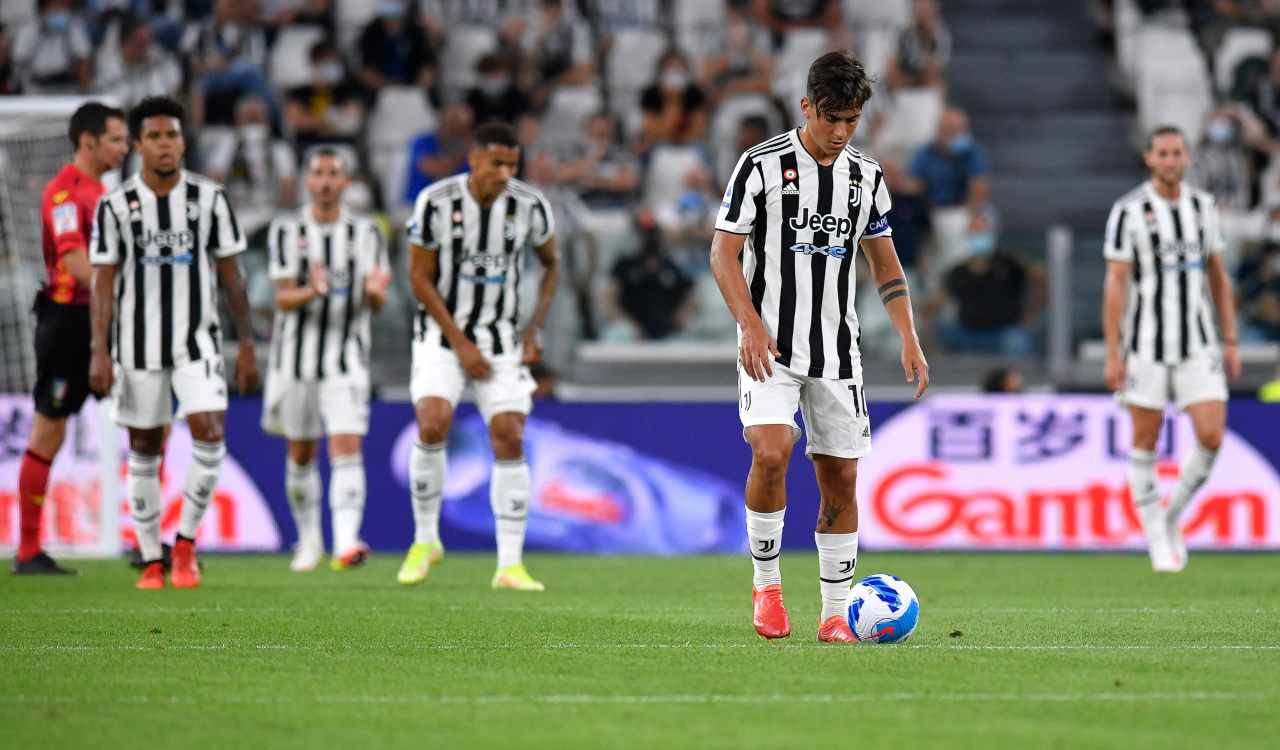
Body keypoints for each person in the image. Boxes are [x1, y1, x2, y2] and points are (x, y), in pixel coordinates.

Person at [710, 51, 929, 643]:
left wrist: (908, 334)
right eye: (830, 116)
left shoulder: (866, 176)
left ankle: (834, 612)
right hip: (770, 347)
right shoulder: (760, 166)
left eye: (851, 120)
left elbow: (885, 263)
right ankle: (767, 586)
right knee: (772, 452)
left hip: (837, 351)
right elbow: (722, 253)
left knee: (840, 479)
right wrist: (751, 325)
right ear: (806, 105)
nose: (839, 132)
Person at [88, 96, 260, 590]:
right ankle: (148, 558)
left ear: (184, 142)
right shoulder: (115, 205)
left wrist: (245, 344)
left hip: (197, 344)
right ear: (138, 145)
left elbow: (233, 277)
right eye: (156, 136)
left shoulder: (210, 199)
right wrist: (98, 351)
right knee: (143, 445)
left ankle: (184, 545)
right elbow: (103, 281)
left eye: (173, 136)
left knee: (210, 433)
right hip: (137, 347)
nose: (166, 145)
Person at [402, 122, 560, 591]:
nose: (505, 173)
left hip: (502, 338)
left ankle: (509, 564)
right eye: (496, 163)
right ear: (473, 160)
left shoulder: (529, 205)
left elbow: (551, 263)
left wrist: (535, 326)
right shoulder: (435, 201)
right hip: (439, 335)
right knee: (432, 423)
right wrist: (460, 341)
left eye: (512, 164)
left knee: (509, 434)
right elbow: (418, 277)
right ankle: (425, 539)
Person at [1102, 125, 1241, 574]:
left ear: (1187, 158)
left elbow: (1218, 276)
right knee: (1145, 440)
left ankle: (1172, 514)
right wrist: (1113, 351)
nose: (1170, 160)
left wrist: (1231, 337)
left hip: (1198, 341)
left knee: (1212, 434)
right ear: (1149, 159)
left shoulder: (1203, 208)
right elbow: (1116, 284)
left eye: (1177, 152)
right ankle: (1157, 537)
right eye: (1162, 153)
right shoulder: (1129, 211)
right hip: (1145, 344)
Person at [12, 102, 128, 575]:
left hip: (104, 319)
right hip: (68, 324)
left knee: (149, 419)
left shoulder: (103, 192)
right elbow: (76, 265)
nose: (124, 148)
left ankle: (149, 539)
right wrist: (131, 295)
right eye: (116, 140)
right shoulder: (65, 194)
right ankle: (28, 550)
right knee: (49, 430)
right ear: (88, 141)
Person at [262, 149, 391, 573]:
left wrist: (375, 293)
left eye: (334, 173)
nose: (325, 181)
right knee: (301, 453)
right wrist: (312, 291)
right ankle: (309, 541)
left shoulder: (367, 233)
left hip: (346, 357)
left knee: (346, 445)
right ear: (306, 180)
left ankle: (347, 540)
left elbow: (377, 298)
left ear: (347, 182)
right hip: (294, 360)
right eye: (318, 173)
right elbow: (280, 297)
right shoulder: (286, 230)